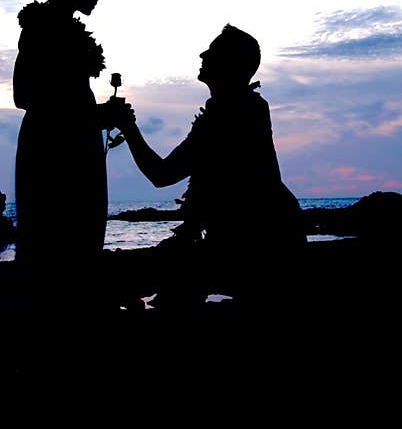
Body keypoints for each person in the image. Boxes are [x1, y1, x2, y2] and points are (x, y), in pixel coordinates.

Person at [119, 25, 304, 306]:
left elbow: (162, 175)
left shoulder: (229, 114)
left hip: (256, 243)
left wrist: (128, 127)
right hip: (264, 235)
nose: (203, 54)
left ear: (231, 64)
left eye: (213, 51)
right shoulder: (242, 107)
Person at [12, 0, 129, 287]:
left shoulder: (58, 27)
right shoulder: (41, 28)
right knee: (60, 246)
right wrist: (96, 116)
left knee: (78, 243)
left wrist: (97, 115)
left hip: (73, 147)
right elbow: (26, 95)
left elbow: (57, 99)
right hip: (53, 153)